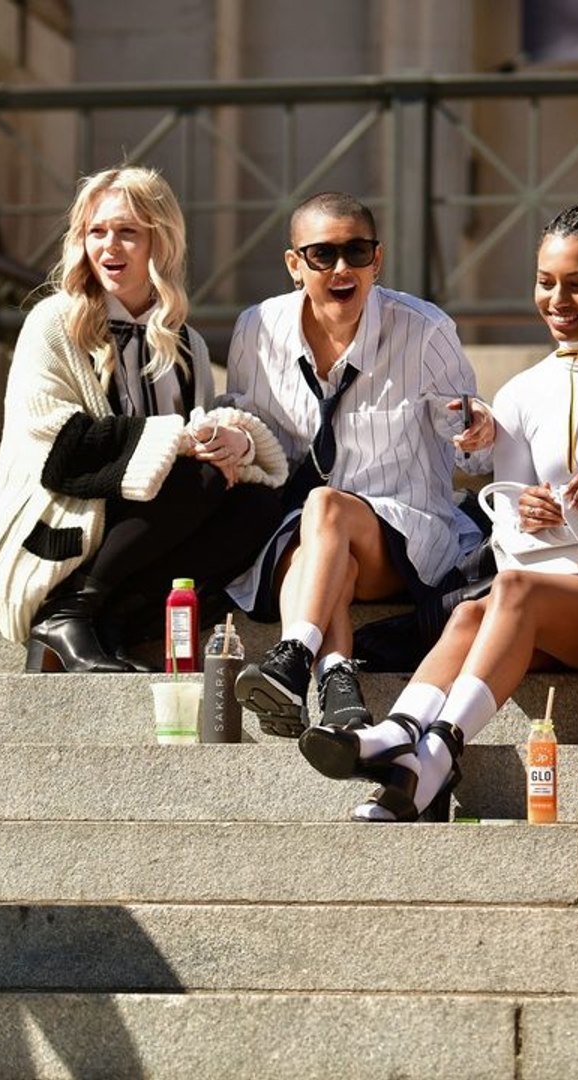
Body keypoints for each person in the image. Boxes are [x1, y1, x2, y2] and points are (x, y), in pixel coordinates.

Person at [298, 194, 578, 822]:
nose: (558, 301)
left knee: (512, 592)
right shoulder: (522, 392)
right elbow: (509, 523)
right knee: (474, 614)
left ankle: (431, 748)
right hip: (553, 580)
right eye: (546, 283)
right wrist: (535, 514)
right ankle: (409, 745)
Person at [0, 166, 288, 672]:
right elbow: (58, 447)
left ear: (159, 243)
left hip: (136, 546)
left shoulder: (185, 344)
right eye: (96, 231)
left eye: (127, 232)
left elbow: (202, 449)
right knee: (197, 474)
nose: (109, 247)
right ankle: (67, 614)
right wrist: (187, 441)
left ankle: (115, 618)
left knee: (256, 505)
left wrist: (238, 443)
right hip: (58, 534)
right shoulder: (54, 322)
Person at [225, 192, 495, 737]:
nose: (342, 268)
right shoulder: (258, 329)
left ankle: (293, 652)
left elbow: (476, 450)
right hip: (301, 539)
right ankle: (336, 677)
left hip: (405, 533)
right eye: (323, 254)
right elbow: (250, 428)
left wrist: (476, 430)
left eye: (357, 251)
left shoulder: (424, 330)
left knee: (327, 509)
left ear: (378, 259)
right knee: (322, 543)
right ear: (294, 265)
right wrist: (233, 438)